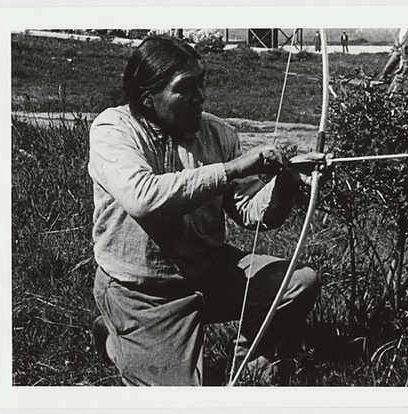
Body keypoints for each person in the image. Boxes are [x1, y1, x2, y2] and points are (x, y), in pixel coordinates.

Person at [88, 37, 329, 386]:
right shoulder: (113, 130)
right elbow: (143, 197)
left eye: (201, 82)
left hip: (209, 272)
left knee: (298, 282)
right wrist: (231, 169)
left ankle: (248, 363)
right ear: (147, 98)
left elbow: (250, 213)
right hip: (143, 292)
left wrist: (287, 184)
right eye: (185, 88)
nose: (200, 96)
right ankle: (117, 338)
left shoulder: (217, 133)